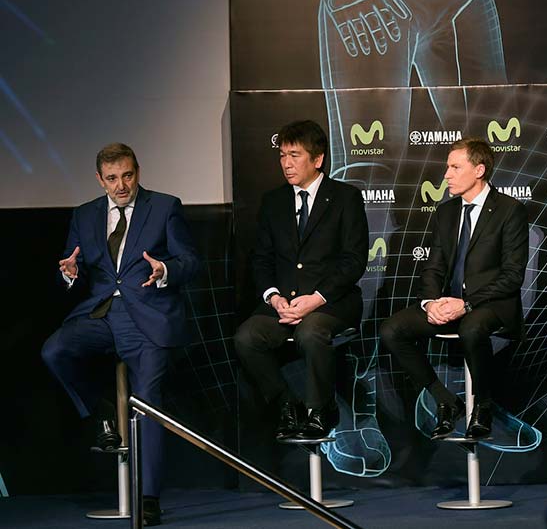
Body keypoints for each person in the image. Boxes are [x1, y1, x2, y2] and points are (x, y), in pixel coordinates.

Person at [41, 142, 201, 526]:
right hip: (99, 314)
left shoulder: (164, 207)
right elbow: (74, 265)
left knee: (147, 402)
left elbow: (191, 261)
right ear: (100, 180)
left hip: (148, 315)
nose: (121, 185)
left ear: (137, 172)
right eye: (112, 178)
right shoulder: (84, 215)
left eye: (127, 175)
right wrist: (70, 274)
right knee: (54, 350)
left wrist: (165, 271)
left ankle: (149, 498)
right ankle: (103, 411)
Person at [380, 137, 528, 440]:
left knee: (472, 328)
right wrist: (430, 303)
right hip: (450, 303)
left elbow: (512, 276)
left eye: (455, 167)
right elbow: (433, 266)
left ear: (479, 170)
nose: (446, 174)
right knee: (391, 330)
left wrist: (467, 303)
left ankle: (483, 407)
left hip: (491, 304)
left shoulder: (509, 210)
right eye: (447, 167)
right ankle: (446, 400)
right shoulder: (446, 212)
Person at [233, 120, 368, 441]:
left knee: (310, 332)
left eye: (294, 155)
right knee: (246, 337)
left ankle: (320, 410)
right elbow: (261, 259)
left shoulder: (345, 197)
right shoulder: (273, 201)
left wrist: (316, 299)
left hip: (331, 303)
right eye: (282, 155)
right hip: (284, 305)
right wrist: (274, 297)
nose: (286, 163)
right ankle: (287, 405)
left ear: (317, 159)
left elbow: (354, 260)